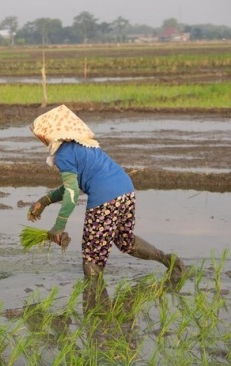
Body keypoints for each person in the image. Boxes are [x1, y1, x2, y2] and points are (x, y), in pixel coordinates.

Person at [26, 104, 185, 281]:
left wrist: (59, 225)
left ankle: (95, 300)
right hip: (125, 191)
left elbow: (72, 193)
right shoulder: (83, 146)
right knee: (126, 242)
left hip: (105, 200)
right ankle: (168, 260)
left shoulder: (63, 155)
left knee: (92, 257)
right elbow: (73, 185)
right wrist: (45, 200)